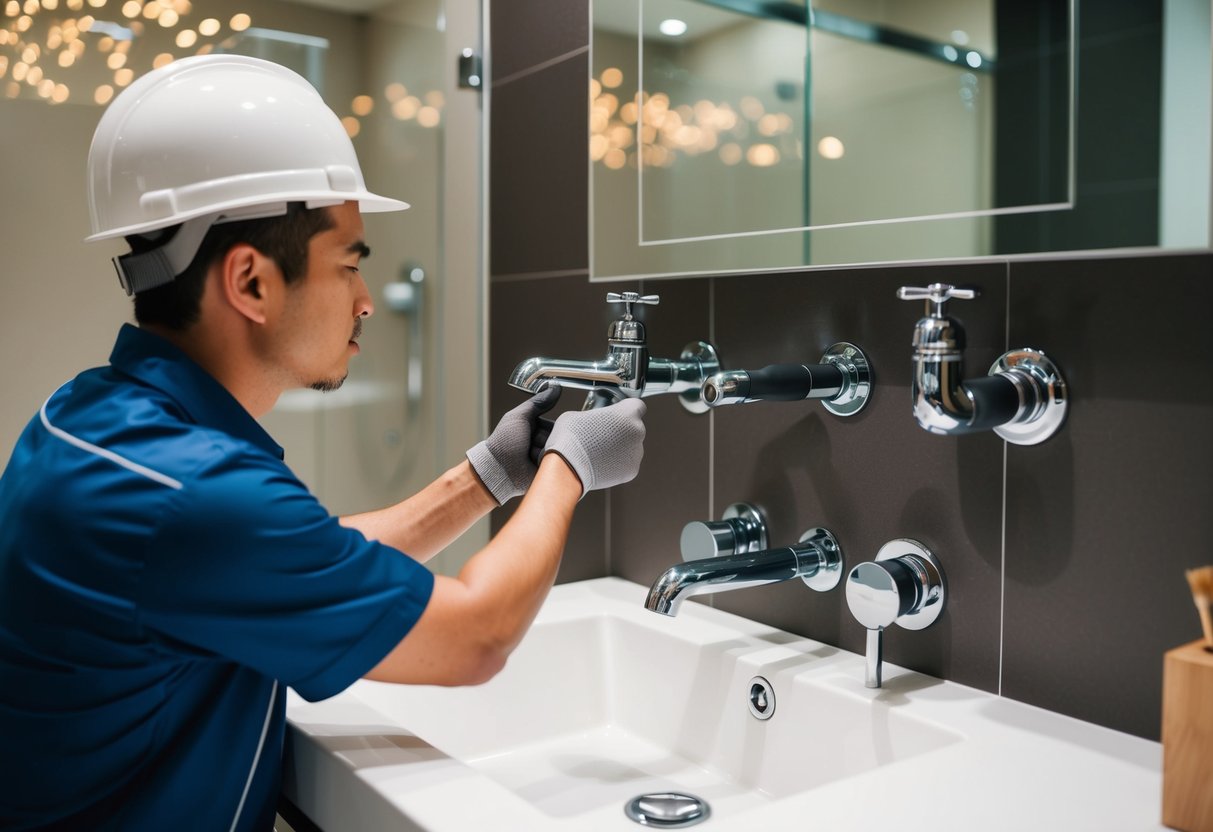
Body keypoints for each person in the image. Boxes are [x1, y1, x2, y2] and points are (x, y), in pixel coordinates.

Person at [0, 55, 646, 831]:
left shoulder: (91, 419)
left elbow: (300, 558)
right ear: (250, 283)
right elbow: (477, 637)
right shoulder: (197, 493)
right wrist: (568, 468)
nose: (367, 301)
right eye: (348, 265)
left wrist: (487, 475)